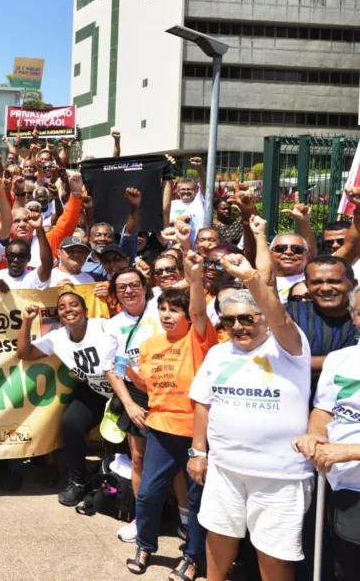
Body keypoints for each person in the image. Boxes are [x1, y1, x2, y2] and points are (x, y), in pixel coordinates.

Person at [188, 216, 313, 581]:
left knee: (274, 552)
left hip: (280, 474)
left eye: (247, 318)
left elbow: (278, 314)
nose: (238, 326)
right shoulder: (219, 354)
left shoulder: (290, 346)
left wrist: (250, 279)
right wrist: (198, 452)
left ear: (263, 318)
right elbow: (203, 403)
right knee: (219, 534)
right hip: (225, 468)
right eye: (230, 322)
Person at [125, 251, 212, 580]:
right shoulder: (149, 345)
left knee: (196, 497)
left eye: (174, 309)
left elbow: (200, 309)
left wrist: (196, 275)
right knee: (147, 493)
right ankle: (145, 546)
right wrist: (132, 378)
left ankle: (192, 558)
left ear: (188, 315)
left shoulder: (198, 338)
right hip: (159, 428)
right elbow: (150, 385)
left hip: (195, 432)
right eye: (162, 308)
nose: (166, 315)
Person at [19, 292, 118, 506]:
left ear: (85, 310)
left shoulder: (103, 326)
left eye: (74, 304)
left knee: (124, 441)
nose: (68, 310)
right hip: (96, 391)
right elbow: (25, 353)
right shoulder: (57, 337)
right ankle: (77, 482)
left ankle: (119, 480)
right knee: (70, 424)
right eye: (62, 307)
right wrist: (26, 322)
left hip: (123, 392)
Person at [293, 287, 360, 580]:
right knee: (343, 565)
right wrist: (313, 435)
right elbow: (323, 411)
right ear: (354, 317)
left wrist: (351, 450)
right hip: (338, 484)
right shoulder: (340, 359)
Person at [105, 267, 165, 544]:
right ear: (115, 294)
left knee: (175, 463)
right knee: (138, 460)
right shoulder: (113, 324)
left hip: (170, 392)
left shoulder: (159, 306)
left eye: (134, 285)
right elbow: (112, 369)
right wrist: (128, 405)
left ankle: (185, 519)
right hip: (137, 397)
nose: (129, 291)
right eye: (121, 288)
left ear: (145, 286)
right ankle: (142, 520)